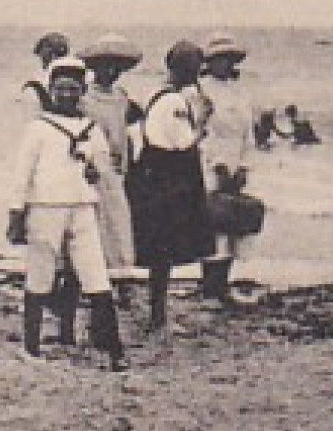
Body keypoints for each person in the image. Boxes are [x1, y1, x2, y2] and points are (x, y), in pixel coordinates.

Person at [7, 58, 128, 371]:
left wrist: (92, 168)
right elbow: (22, 174)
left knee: (95, 273)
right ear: (50, 91)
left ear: (82, 92)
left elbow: (104, 169)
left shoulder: (91, 130)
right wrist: (16, 214)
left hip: (82, 206)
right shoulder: (37, 129)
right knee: (40, 272)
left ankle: (114, 349)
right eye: (60, 89)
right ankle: (31, 346)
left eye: (73, 89)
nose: (66, 95)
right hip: (45, 206)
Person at [126, 40, 215, 331]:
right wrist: (201, 122)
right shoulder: (174, 101)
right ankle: (158, 316)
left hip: (157, 175)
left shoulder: (160, 94)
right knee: (164, 249)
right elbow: (182, 142)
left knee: (160, 250)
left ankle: (157, 313)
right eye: (193, 67)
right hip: (169, 178)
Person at [78, 34, 144, 304]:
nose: (111, 72)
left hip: (117, 167)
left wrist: (130, 150)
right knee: (94, 223)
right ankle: (93, 281)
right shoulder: (85, 98)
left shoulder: (121, 97)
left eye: (116, 67)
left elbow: (132, 124)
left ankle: (122, 280)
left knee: (118, 221)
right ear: (94, 68)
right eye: (105, 66)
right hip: (93, 166)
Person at [198, 34, 260, 307]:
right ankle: (210, 286)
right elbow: (201, 131)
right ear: (209, 62)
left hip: (236, 158)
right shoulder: (200, 90)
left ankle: (224, 283)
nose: (224, 64)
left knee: (236, 221)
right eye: (218, 59)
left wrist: (245, 165)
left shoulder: (241, 92)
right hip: (209, 161)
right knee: (214, 222)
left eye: (228, 59)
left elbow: (249, 133)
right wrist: (217, 164)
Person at [22, 32, 71, 116]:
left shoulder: (58, 72)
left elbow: (55, 108)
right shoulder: (74, 70)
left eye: (43, 57)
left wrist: (37, 87)